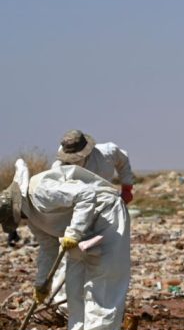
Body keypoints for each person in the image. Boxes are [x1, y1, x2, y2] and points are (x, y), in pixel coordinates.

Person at [0, 159, 131, 330]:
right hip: (79, 229)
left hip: (105, 216)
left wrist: (74, 232)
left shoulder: (40, 191)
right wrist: (42, 284)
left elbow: (86, 194)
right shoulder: (33, 217)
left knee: (101, 282)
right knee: (74, 284)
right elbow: (48, 249)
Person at [51, 129, 135, 309]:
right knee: (68, 254)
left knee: (103, 256)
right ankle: (60, 305)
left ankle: (99, 301)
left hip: (105, 209)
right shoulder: (59, 167)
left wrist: (127, 186)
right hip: (77, 212)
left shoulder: (107, 152)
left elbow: (123, 160)